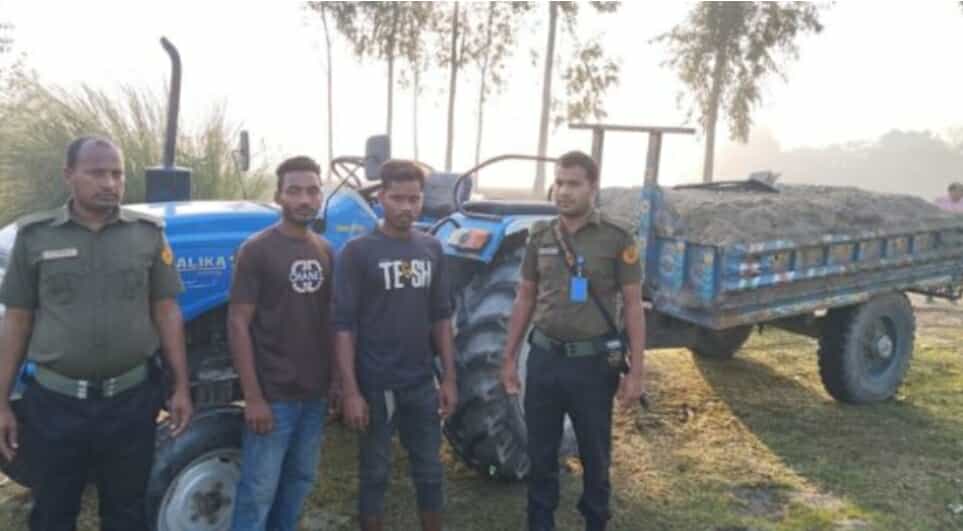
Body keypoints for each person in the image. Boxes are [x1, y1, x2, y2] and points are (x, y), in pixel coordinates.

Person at [0, 135, 193, 530]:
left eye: (117, 174)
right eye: (97, 173)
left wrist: (182, 387)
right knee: (53, 513)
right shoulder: (35, 237)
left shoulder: (147, 234)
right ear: (69, 175)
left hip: (130, 402)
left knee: (126, 513)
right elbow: (17, 320)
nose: (110, 183)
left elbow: (166, 311)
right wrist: (1, 401)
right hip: (55, 405)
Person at [499, 151, 647, 531]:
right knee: (541, 454)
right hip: (545, 360)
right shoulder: (540, 236)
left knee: (595, 456)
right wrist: (509, 358)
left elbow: (633, 306)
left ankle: (596, 521)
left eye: (573, 184)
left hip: (593, 366)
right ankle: (540, 523)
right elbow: (525, 297)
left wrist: (636, 373)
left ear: (592, 187)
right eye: (559, 182)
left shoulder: (616, 237)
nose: (563, 191)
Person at [333, 159, 457, 531]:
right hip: (375, 384)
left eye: (414, 199)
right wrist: (350, 390)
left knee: (430, 470)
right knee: (375, 472)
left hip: (420, 382)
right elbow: (343, 326)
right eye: (398, 198)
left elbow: (441, 318)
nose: (406, 207)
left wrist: (449, 378)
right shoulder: (357, 252)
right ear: (381, 198)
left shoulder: (432, 249)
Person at [228, 156, 338, 531]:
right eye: (294, 191)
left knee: (300, 480)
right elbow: (238, 323)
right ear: (279, 196)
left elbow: (330, 322)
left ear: (320, 196)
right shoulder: (256, 250)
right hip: (273, 396)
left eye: (312, 191)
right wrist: (253, 397)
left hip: (314, 396)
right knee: (258, 490)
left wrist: (336, 382)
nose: (304, 199)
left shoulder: (326, 250)